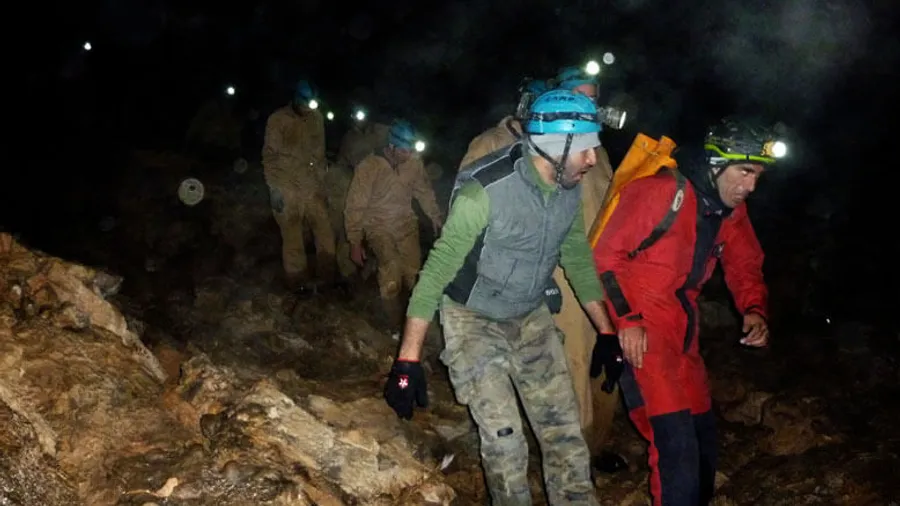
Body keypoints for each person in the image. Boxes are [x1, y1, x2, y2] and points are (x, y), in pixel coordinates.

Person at [385, 90, 614, 505]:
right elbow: (436, 271)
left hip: (531, 317)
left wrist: (608, 332)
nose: (593, 159)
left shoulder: (569, 188)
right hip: (473, 319)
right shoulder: (484, 191)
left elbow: (577, 257)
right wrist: (407, 360)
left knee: (566, 438)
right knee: (505, 443)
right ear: (554, 146)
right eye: (585, 147)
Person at [593, 118, 777, 506]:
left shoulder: (728, 210)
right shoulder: (660, 191)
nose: (750, 187)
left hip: (683, 332)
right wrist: (626, 320)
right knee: (674, 444)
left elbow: (745, 263)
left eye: (757, 176)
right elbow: (604, 258)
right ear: (716, 165)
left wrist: (754, 308)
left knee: (702, 436)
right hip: (644, 333)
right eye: (745, 172)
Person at [457, 66, 623, 472]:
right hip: (549, 276)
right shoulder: (499, 145)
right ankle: (577, 455)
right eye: (580, 96)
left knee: (604, 363)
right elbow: (469, 224)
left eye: (594, 98)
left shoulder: (595, 153)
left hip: (595, 272)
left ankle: (597, 442)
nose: (590, 105)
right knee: (571, 363)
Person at [343, 119, 443, 330]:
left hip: (406, 225)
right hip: (377, 226)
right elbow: (355, 205)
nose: (409, 155)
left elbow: (423, 191)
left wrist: (435, 215)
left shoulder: (413, 163)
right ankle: (393, 324)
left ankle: (420, 324)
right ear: (391, 147)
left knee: (414, 274)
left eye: (411, 151)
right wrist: (355, 242)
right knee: (391, 270)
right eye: (404, 151)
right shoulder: (370, 167)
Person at [262, 79, 336, 291]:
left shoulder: (316, 118)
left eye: (311, 104)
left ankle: (327, 276)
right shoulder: (278, 120)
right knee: (292, 234)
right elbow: (270, 157)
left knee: (324, 228)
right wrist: (274, 189)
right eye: (304, 104)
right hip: (286, 184)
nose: (307, 109)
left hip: (310, 184)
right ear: (296, 100)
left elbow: (320, 154)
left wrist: (322, 183)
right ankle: (297, 282)